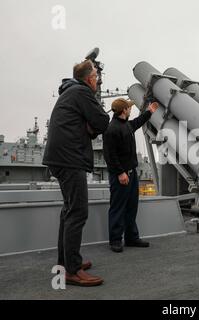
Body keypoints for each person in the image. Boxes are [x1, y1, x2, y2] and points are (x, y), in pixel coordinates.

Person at [43, 60, 110, 287]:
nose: (98, 80)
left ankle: (67, 263)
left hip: (60, 157)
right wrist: (92, 124)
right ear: (90, 79)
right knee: (78, 212)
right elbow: (101, 122)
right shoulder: (82, 92)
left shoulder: (71, 92)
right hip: (69, 159)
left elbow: (90, 126)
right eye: (96, 77)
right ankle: (71, 270)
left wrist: (88, 126)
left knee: (69, 212)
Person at [103, 98, 158, 253]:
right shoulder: (112, 129)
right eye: (129, 108)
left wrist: (149, 112)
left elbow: (137, 122)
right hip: (120, 176)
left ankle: (131, 238)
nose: (131, 110)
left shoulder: (126, 125)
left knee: (131, 207)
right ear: (124, 110)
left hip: (132, 174)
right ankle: (115, 240)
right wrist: (120, 172)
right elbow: (110, 155)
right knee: (118, 208)